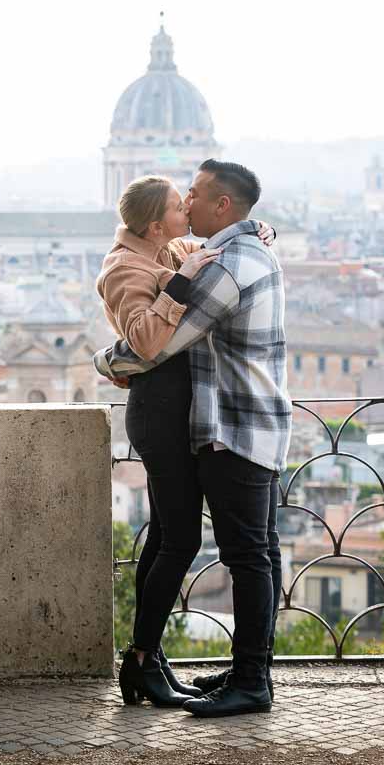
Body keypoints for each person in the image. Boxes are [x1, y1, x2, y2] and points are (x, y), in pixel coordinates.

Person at [94, 160, 290, 718]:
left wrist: (251, 229)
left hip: (202, 418)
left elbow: (218, 251)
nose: (189, 206)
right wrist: (108, 358)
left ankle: (151, 661)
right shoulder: (131, 266)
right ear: (158, 225)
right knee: (179, 542)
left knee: (177, 539)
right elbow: (149, 343)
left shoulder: (182, 252)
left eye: (195, 197)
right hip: (165, 415)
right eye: (182, 203)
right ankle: (145, 660)